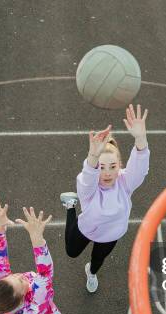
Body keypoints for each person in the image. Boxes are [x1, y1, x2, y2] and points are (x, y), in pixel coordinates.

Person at [60, 104, 150, 292]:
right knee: (71, 252)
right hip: (85, 228)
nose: (107, 173)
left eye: (112, 166)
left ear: (120, 166)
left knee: (98, 260)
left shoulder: (125, 182)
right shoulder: (89, 190)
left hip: (110, 235)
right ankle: (70, 206)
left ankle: (91, 273)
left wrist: (140, 138)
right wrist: (93, 155)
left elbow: (140, 169)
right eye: (101, 167)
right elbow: (87, 177)